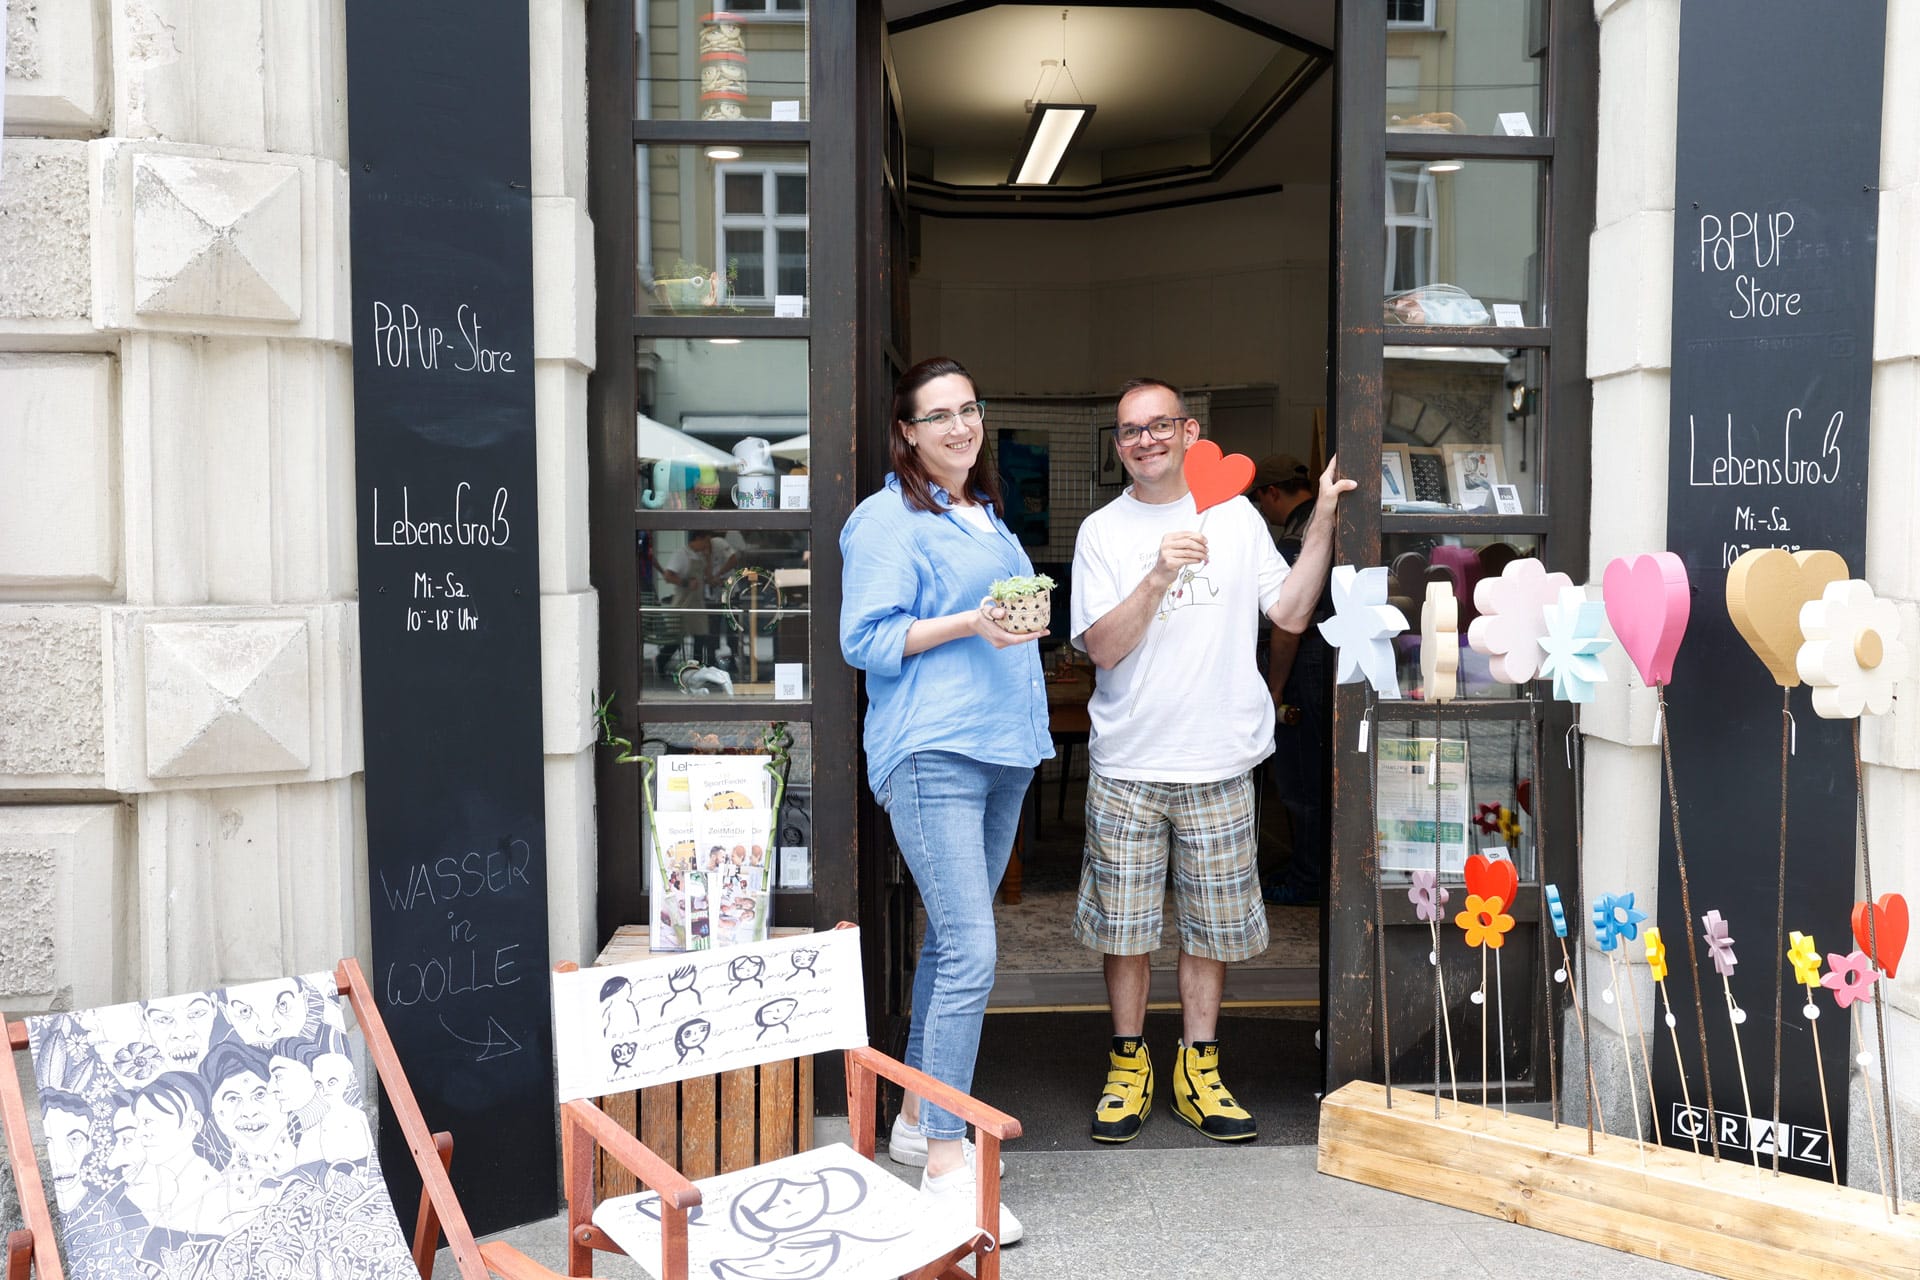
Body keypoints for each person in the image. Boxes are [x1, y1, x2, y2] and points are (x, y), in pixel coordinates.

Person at [1070, 379, 1350, 1144]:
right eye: (1129, 432)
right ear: (1119, 446)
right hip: (1129, 760)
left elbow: (1290, 611)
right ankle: (1128, 1067)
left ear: (1190, 431)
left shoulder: (1236, 516)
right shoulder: (1102, 531)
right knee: (1125, 930)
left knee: (1211, 930)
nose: (1144, 441)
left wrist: (1322, 518)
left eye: (1159, 425)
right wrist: (1158, 574)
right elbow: (1101, 646)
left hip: (1221, 758)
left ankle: (1200, 1069)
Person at [840, 355, 1050, 1243]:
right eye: (940, 415)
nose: (961, 426)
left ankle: (912, 1117)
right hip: (933, 751)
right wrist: (970, 622)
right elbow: (866, 638)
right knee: (971, 945)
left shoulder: (986, 515)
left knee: (946, 945)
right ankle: (947, 1158)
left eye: (970, 409)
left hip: (1003, 749)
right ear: (908, 433)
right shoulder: (883, 518)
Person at [1248, 454, 1334, 907]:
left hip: (1304, 667)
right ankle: (1309, 870)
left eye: (1261, 503)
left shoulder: (1293, 540)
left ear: (1271, 493)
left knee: (1301, 780)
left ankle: (1306, 880)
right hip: (1332, 660)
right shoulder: (1326, 521)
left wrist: (1275, 687)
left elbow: (1287, 626)